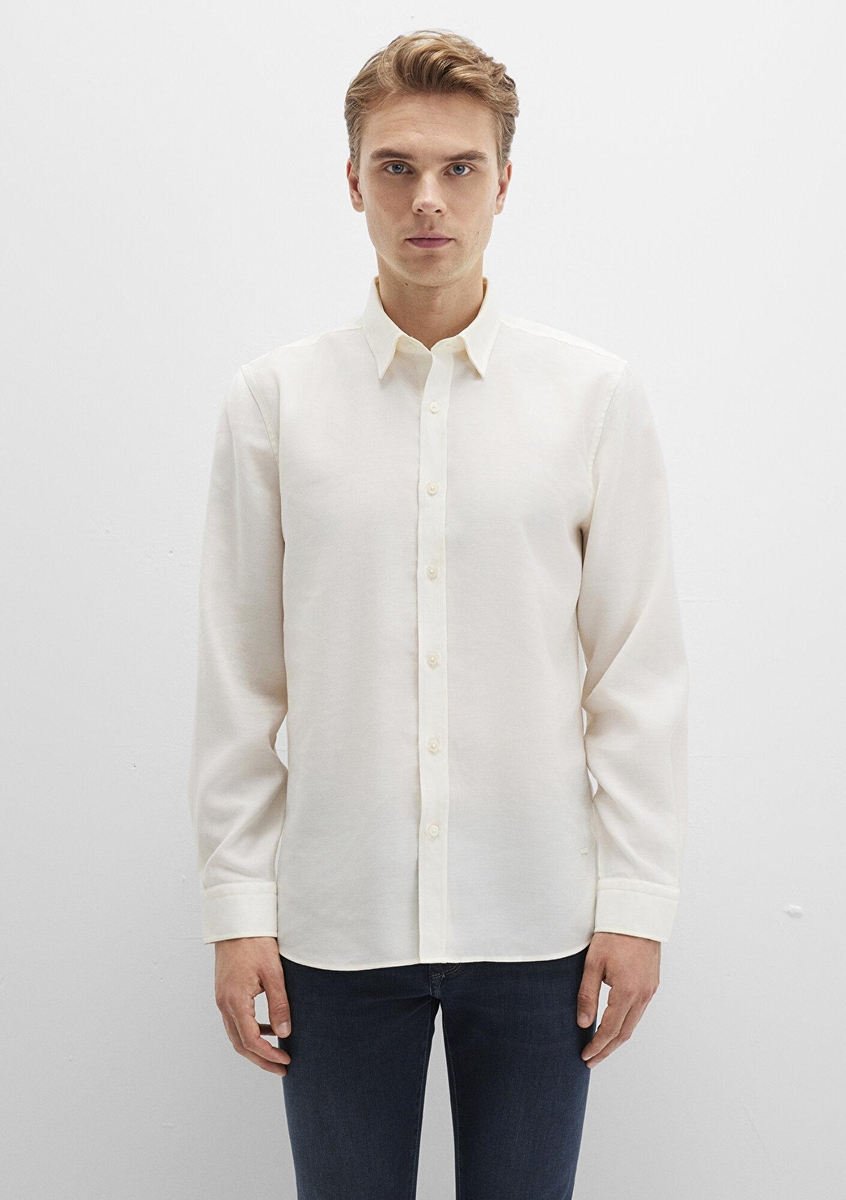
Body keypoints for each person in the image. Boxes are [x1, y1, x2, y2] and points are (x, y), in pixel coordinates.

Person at [187, 27, 689, 1200]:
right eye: (397, 167)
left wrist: (638, 903)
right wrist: (236, 908)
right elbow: (239, 678)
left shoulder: (593, 398)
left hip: (540, 923)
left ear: (503, 183)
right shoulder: (274, 403)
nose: (428, 198)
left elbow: (636, 669)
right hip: (334, 926)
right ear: (352, 182)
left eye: (460, 167)